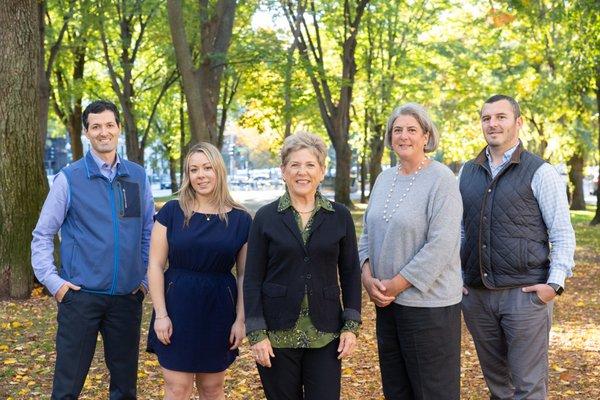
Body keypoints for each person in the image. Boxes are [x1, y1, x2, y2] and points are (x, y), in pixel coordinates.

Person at [31, 100, 154, 399]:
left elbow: (148, 232)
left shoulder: (137, 177)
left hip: (126, 299)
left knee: (125, 389)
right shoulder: (69, 178)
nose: (103, 132)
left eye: (109, 125)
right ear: (86, 132)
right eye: (96, 126)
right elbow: (43, 235)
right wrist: (55, 284)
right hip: (80, 299)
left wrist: (143, 281)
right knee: (67, 388)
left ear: (118, 129)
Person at [460, 94, 576, 399]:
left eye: (501, 117)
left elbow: (562, 233)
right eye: (486, 118)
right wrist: (457, 277)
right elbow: (459, 231)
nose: (492, 124)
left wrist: (555, 284)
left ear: (518, 123)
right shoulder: (466, 172)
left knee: (528, 386)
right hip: (477, 297)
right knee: (498, 385)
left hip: (524, 297)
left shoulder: (541, 172)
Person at [244, 132, 362, 400]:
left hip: (326, 331)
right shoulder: (266, 217)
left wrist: (351, 325)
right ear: (283, 171)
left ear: (321, 171)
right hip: (276, 335)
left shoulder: (339, 216)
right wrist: (256, 333)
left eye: (310, 165)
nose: (302, 172)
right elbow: (252, 278)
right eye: (295, 165)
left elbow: (351, 273)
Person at [358, 103, 463, 400]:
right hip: (387, 304)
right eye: (397, 130)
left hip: (429, 308)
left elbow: (441, 245)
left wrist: (397, 284)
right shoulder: (383, 179)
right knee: (396, 389)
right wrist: (367, 278)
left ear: (426, 136)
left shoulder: (441, 179)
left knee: (433, 392)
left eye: (412, 130)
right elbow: (367, 234)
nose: (404, 136)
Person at [146, 142, 251, 400]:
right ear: (188, 175)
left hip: (219, 309)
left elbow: (244, 275)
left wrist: (240, 320)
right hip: (176, 307)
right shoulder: (171, 212)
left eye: (207, 168)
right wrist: (161, 314)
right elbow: (155, 265)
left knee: (212, 389)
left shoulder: (241, 219)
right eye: (194, 170)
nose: (200, 175)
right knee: (177, 388)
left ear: (219, 171)